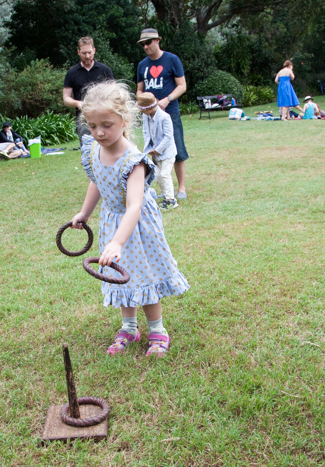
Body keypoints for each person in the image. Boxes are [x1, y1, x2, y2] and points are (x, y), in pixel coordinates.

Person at [70, 81, 189, 357]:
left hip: (136, 227)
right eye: (93, 125)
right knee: (119, 277)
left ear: (124, 121)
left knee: (144, 276)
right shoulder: (93, 150)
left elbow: (134, 205)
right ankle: (129, 326)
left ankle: (157, 329)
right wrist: (84, 213)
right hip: (112, 223)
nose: (99, 132)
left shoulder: (133, 160)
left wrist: (118, 243)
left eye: (107, 125)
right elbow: (97, 182)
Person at [136, 28, 189, 201]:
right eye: (143, 44)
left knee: (177, 149)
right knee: (155, 150)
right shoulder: (142, 65)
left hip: (169, 112)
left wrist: (167, 100)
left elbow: (182, 85)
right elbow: (139, 89)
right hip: (150, 115)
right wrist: (143, 103)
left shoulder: (172, 59)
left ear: (157, 40)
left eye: (148, 42)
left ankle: (181, 188)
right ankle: (166, 189)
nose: (146, 46)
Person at [63, 37, 115, 147]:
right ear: (78, 52)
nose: (87, 56)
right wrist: (77, 103)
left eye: (89, 53)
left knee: (107, 149)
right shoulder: (71, 73)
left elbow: (114, 92)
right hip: (83, 119)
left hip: (104, 117)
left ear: (94, 50)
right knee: (87, 152)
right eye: (84, 53)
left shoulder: (105, 70)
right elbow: (66, 98)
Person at [137, 93, 178, 210]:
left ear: (148, 108)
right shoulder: (146, 116)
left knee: (165, 174)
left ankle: (171, 200)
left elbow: (168, 136)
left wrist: (158, 149)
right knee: (158, 175)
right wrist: (149, 148)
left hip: (167, 152)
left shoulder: (165, 117)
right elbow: (145, 132)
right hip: (153, 152)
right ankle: (167, 194)